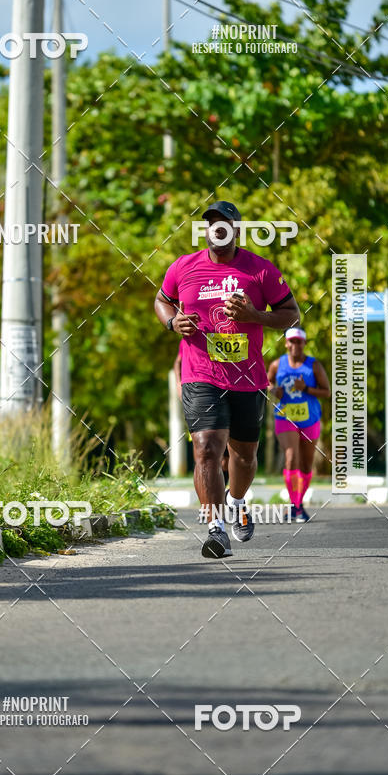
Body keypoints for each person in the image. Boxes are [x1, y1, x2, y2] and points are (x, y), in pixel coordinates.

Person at [154, 199, 300, 559]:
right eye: (211, 223)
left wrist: (255, 316)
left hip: (248, 378)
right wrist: (172, 321)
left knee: (244, 457)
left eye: (225, 223)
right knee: (206, 448)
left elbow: (291, 314)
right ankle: (216, 529)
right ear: (206, 230)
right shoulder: (184, 266)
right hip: (200, 373)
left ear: (236, 230)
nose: (217, 228)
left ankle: (235, 501)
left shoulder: (260, 270)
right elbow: (161, 300)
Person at [267, 327, 331, 523]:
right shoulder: (277, 364)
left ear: (304, 343)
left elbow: (327, 392)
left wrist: (307, 389)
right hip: (285, 417)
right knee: (291, 457)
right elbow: (267, 382)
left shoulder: (314, 366)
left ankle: (298, 503)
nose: (295, 345)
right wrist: (274, 390)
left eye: (299, 341)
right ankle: (295, 506)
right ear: (286, 343)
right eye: (292, 341)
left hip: (310, 419)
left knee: (305, 464)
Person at [173, 346, 229, 484]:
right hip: (202, 395)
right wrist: (179, 385)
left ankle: (226, 491)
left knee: (226, 459)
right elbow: (178, 362)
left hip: (229, 391)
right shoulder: (191, 339)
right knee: (203, 453)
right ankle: (209, 494)